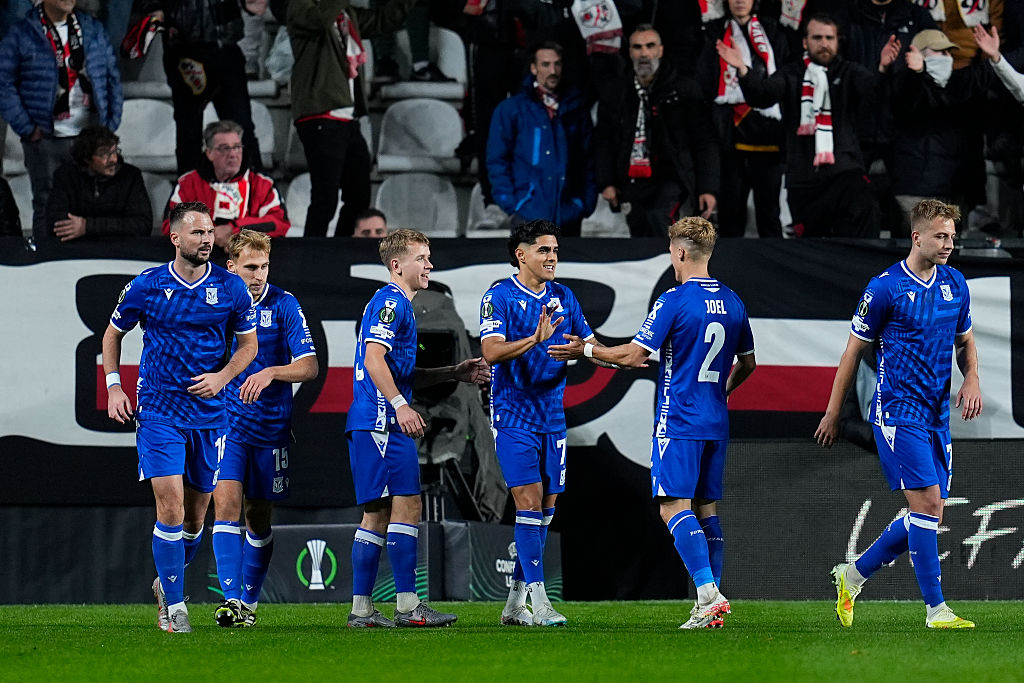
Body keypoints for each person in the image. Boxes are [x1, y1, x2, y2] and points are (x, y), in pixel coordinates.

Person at [548, 216, 756, 629]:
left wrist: (587, 349)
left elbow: (632, 356)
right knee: (706, 510)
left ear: (679, 252)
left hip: (679, 419)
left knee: (672, 507)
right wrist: (722, 393)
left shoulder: (674, 300)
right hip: (716, 419)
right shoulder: (734, 301)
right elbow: (749, 363)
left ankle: (708, 595)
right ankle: (709, 603)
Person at [815, 199, 982, 629]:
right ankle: (936, 610)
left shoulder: (955, 284)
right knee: (927, 504)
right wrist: (833, 412)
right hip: (896, 410)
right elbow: (852, 353)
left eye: (952, 236)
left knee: (929, 514)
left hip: (935, 415)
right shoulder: (885, 287)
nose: (949, 244)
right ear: (917, 236)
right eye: (940, 236)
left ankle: (850, 576)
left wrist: (972, 379)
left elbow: (964, 342)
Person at [102, 201, 258, 634]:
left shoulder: (231, 288)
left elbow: (249, 347)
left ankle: (164, 583)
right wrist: (114, 384)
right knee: (169, 509)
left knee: (194, 519)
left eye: (210, 232)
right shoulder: (146, 285)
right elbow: (113, 334)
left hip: (210, 415)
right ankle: (174, 608)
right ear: (175, 238)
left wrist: (223, 377)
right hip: (159, 411)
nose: (207, 239)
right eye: (197, 233)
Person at [345, 228, 489, 628]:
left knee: (384, 511)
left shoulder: (399, 305)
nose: (430, 265)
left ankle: (366, 610)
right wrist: (400, 404)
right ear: (397, 265)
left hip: (376, 422)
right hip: (381, 423)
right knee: (397, 507)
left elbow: (398, 369)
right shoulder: (391, 301)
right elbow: (374, 359)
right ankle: (405, 607)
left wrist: (454, 372)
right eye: (422, 258)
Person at [479, 219, 600, 627]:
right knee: (528, 502)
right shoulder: (498, 296)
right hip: (513, 415)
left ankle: (514, 603)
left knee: (546, 510)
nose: (552, 257)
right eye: (544, 250)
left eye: (555, 250)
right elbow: (491, 352)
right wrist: (534, 339)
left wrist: (595, 351)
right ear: (521, 254)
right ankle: (540, 602)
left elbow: (589, 342)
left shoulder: (564, 296)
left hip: (552, 417)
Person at [211, 229, 319, 628]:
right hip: (226, 423)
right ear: (232, 266)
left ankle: (249, 604)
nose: (258, 275)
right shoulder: (217, 302)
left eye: (264, 266)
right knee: (224, 507)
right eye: (251, 267)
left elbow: (310, 367)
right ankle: (231, 601)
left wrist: (273, 371)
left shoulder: (285, 304)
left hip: (272, 427)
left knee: (257, 519)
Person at [718, 13, 893, 237]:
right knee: (810, 250)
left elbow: (874, 97)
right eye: (817, 37)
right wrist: (742, 69)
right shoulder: (791, 73)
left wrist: (882, 69)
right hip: (804, 180)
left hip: (844, 173)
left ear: (838, 42)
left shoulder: (850, 72)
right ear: (805, 42)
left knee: (866, 211)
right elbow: (762, 95)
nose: (824, 44)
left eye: (829, 38)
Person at [287, 0, 416, 238]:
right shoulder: (300, 6)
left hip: (348, 117)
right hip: (320, 113)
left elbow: (383, 20)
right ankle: (308, 259)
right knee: (325, 197)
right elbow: (321, 19)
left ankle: (340, 254)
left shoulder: (346, 13)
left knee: (359, 196)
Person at [0, 0, 122, 241]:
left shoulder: (92, 28)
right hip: (45, 137)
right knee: (46, 204)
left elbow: (112, 75)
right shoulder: (23, 32)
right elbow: (3, 82)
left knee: (91, 203)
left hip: (89, 134)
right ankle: (46, 265)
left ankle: (87, 264)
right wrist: (27, 127)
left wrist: (110, 122)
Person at [595, 25, 719, 237]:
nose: (644, 53)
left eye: (650, 46)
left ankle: (669, 270)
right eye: (637, 47)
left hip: (671, 176)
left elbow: (704, 141)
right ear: (629, 52)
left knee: (659, 219)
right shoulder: (616, 92)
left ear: (660, 50)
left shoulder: (684, 89)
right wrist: (606, 181)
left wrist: (708, 187)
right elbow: (604, 140)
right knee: (639, 228)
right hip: (632, 179)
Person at [137, 0, 263, 174]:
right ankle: (190, 196)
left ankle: (256, 194)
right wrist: (155, 9)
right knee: (189, 134)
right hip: (185, 49)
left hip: (225, 46)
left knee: (241, 130)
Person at [696, 0, 787, 238]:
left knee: (769, 213)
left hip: (768, 134)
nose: (739, 1)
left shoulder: (773, 30)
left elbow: (783, 78)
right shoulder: (713, 32)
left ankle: (776, 273)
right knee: (730, 213)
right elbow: (705, 78)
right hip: (729, 133)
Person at [486, 42, 596, 236]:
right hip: (528, 214)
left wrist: (583, 203)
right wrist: (513, 204)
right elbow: (497, 160)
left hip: (568, 214)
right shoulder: (512, 110)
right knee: (530, 267)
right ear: (533, 68)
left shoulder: (576, 109)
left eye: (557, 64)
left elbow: (588, 159)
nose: (552, 71)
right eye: (545, 65)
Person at [163, 120, 289, 246]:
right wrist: (208, 234)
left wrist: (236, 230)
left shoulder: (263, 184)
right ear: (209, 153)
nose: (233, 154)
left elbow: (278, 223)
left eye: (237, 147)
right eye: (225, 148)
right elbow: (170, 225)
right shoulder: (187, 184)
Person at [44, 125, 152, 241]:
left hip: (120, 250)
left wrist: (88, 227)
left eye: (115, 151)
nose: (114, 159)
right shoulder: (65, 176)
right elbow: (56, 224)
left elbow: (142, 225)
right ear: (86, 158)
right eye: (104, 154)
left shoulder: (131, 176)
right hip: (78, 251)